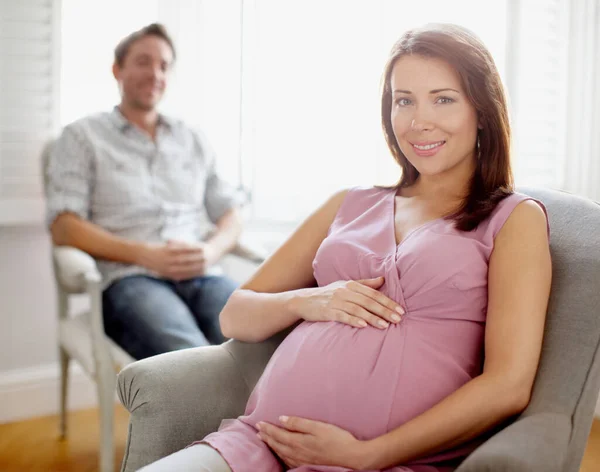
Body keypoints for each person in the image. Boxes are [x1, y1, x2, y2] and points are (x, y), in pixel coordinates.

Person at [140, 23, 552, 471]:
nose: (419, 120)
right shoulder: (350, 204)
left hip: (387, 462)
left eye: (443, 98)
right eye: (404, 100)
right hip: (260, 444)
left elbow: (509, 384)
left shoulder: (513, 219)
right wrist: (311, 300)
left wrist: (368, 454)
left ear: (483, 111)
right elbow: (234, 314)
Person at [46, 24, 243, 360]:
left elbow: (231, 212)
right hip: (131, 281)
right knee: (194, 360)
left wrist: (211, 251)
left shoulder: (192, 139)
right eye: (143, 62)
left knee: (264, 344)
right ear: (117, 70)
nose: (154, 73)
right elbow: (64, 225)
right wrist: (143, 254)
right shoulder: (81, 137)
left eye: (164, 65)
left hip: (204, 275)